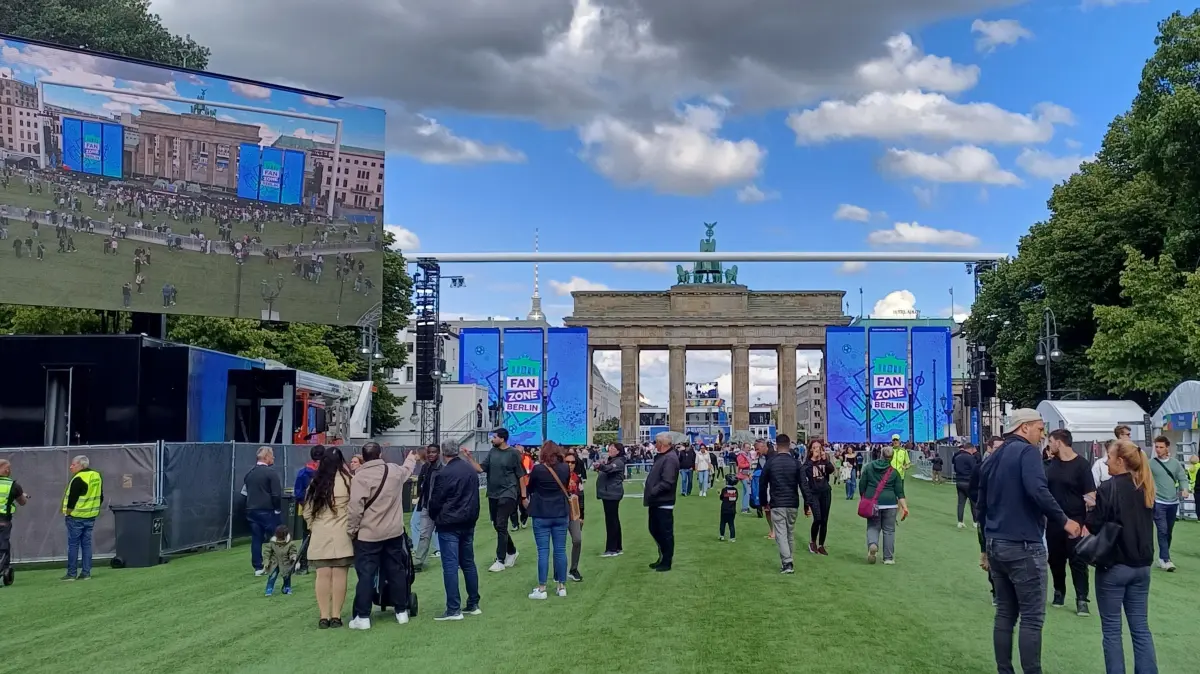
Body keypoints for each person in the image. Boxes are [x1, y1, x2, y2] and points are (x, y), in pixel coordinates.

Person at [977, 409, 1081, 674]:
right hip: (1023, 543)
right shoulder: (1027, 453)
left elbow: (981, 506)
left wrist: (984, 548)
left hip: (996, 543)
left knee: (1004, 615)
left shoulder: (992, 456)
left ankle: (1005, 670)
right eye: (1039, 428)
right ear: (1024, 428)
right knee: (1032, 619)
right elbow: (1038, 490)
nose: (1042, 435)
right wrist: (1064, 520)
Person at [1087, 439, 1158, 674]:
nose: (1106, 461)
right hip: (1142, 565)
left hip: (1115, 565)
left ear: (1120, 461)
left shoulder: (1109, 488)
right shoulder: (1146, 485)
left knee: (1112, 630)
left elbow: (1095, 525)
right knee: (1140, 628)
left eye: (1109, 457)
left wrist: (1091, 507)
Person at [346, 442, 419, 629]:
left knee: (366, 575)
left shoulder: (359, 477)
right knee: (396, 570)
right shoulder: (393, 471)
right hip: (393, 531)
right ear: (380, 454)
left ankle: (363, 616)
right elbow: (407, 470)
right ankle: (401, 611)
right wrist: (411, 458)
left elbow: (355, 509)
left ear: (363, 456)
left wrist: (352, 530)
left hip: (368, 534)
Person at [1044, 429, 1096, 615]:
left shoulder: (1081, 465)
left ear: (1059, 442)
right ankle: (1059, 591)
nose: (1048, 445)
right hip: (1054, 520)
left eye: (1050, 441)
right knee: (1055, 559)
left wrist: (1087, 523)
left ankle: (1082, 598)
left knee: (1078, 560)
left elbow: (1090, 495)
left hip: (1076, 519)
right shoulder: (1050, 465)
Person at [429, 441, 482, 621]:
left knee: (450, 566)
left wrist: (435, 515)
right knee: (468, 563)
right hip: (467, 521)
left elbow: (435, 501)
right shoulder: (469, 470)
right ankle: (473, 603)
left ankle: (453, 608)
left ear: (444, 453)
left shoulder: (444, 473)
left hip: (449, 523)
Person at [302, 446, 354, 629]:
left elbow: (307, 512)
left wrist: (313, 527)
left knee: (322, 575)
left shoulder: (315, 483)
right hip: (342, 534)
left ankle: (323, 616)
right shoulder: (349, 481)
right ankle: (336, 616)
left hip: (320, 534)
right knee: (340, 575)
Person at [467, 428, 525, 573]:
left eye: (494, 437)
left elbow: (521, 475)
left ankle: (500, 559)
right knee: (498, 525)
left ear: (502, 439)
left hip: (508, 493)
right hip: (493, 494)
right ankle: (512, 551)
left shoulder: (513, 453)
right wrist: (469, 458)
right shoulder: (492, 452)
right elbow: (480, 469)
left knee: (501, 523)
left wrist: (523, 496)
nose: (492, 439)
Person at [525, 441, 571, 599]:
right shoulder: (565, 467)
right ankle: (561, 585)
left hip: (541, 513)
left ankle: (542, 587)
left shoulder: (538, 469)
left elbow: (530, 488)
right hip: (560, 512)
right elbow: (564, 485)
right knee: (560, 550)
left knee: (543, 552)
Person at [760, 434, 802, 574]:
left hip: (777, 502)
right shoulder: (796, 463)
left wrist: (763, 502)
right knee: (789, 533)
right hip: (792, 503)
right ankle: (789, 559)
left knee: (781, 534)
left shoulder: (771, 463)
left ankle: (787, 562)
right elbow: (804, 485)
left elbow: (762, 483)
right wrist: (808, 503)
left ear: (777, 446)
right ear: (789, 445)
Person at [1148, 435, 1191, 572]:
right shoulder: (1151, 463)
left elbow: (1182, 477)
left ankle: (1162, 557)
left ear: (1167, 448)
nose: (1158, 450)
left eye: (1161, 447)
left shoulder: (1175, 463)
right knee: (1162, 530)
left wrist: (1185, 489)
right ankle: (1166, 559)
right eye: (1156, 447)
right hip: (1158, 501)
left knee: (1169, 532)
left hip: (1173, 502)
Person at [859, 446, 907, 565]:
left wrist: (864, 497)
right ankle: (888, 558)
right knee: (889, 530)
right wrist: (905, 507)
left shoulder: (869, 467)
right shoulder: (894, 472)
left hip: (873, 502)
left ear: (880, 455)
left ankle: (873, 545)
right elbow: (899, 492)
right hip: (890, 504)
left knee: (873, 526)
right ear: (891, 458)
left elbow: (862, 484)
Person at [62, 455, 103, 581]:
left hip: (76, 517)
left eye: (73, 464)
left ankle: (71, 574)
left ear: (81, 465)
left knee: (73, 545)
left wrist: (68, 513)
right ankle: (86, 573)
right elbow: (101, 497)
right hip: (90, 517)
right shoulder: (96, 476)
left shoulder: (78, 479)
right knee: (86, 545)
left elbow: (72, 500)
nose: (71, 467)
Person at [243, 447, 282, 576]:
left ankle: (258, 567)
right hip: (267, 510)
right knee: (278, 537)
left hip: (251, 510)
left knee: (256, 538)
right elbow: (276, 494)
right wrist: (277, 509)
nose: (273, 458)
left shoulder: (249, 474)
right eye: (272, 456)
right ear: (266, 457)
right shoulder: (271, 473)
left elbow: (245, 492)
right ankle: (284, 562)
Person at [644, 432, 680, 572]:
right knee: (655, 529)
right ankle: (662, 557)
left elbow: (668, 481)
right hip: (657, 501)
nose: (655, 445)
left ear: (662, 444)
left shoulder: (669, 459)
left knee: (664, 532)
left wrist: (653, 491)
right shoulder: (663, 457)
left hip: (663, 501)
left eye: (656, 442)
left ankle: (666, 560)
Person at [293, 445, 326, 575]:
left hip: (307, 509)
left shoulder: (303, 472)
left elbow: (298, 493)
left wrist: (306, 505)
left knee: (306, 537)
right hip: (325, 509)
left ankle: (303, 565)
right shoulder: (327, 473)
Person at [801, 438, 836, 557]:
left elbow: (831, 470)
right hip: (814, 493)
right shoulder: (807, 463)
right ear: (811, 449)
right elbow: (805, 473)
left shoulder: (824, 461)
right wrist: (813, 459)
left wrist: (825, 460)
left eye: (819, 447)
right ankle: (812, 542)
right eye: (814, 447)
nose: (817, 449)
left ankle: (821, 545)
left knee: (824, 520)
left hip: (825, 492)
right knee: (818, 518)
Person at [411, 444, 442, 571]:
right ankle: (418, 563)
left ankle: (456, 560)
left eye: (434, 452)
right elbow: (421, 485)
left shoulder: (443, 468)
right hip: (426, 506)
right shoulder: (426, 467)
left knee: (448, 534)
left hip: (441, 507)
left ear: (439, 453)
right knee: (424, 534)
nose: (431, 454)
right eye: (429, 452)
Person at [0, 459, 29, 586]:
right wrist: (21, 495)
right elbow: (22, 502)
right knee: (2, 546)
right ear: (6, 470)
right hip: (3, 521)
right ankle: (3, 568)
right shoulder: (13, 485)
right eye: (9, 468)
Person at [594, 442, 626, 557]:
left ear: (618, 451)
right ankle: (617, 547)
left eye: (613, 448)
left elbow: (609, 469)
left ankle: (612, 549)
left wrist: (600, 466)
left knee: (611, 521)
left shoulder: (618, 462)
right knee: (613, 520)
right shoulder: (613, 460)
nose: (610, 449)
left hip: (611, 494)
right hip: (609, 493)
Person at [564, 449, 585, 582]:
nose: (570, 464)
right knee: (559, 543)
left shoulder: (577, 478)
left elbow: (581, 497)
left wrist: (582, 515)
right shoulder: (557, 475)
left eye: (572, 462)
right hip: (560, 512)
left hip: (574, 512)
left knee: (577, 540)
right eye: (567, 462)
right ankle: (558, 571)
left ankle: (573, 569)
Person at [263, 524, 298, 596]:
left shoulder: (290, 544)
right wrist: (266, 562)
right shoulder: (272, 542)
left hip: (286, 563)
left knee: (287, 576)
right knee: (272, 576)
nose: (279, 539)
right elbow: (267, 552)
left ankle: (287, 587)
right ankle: (269, 589)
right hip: (274, 563)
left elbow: (293, 552)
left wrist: (293, 557)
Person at [953, 443, 981, 529]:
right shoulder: (971, 458)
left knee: (961, 503)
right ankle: (975, 522)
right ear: (971, 449)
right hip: (969, 482)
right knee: (973, 503)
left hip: (959, 482)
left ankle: (960, 522)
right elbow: (975, 470)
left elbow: (955, 469)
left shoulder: (957, 457)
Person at [718, 474, 739, 542]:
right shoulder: (735, 490)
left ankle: (722, 536)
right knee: (731, 523)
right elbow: (736, 498)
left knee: (722, 523)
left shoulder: (724, 490)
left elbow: (721, 498)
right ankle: (732, 537)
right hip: (732, 510)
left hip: (724, 509)